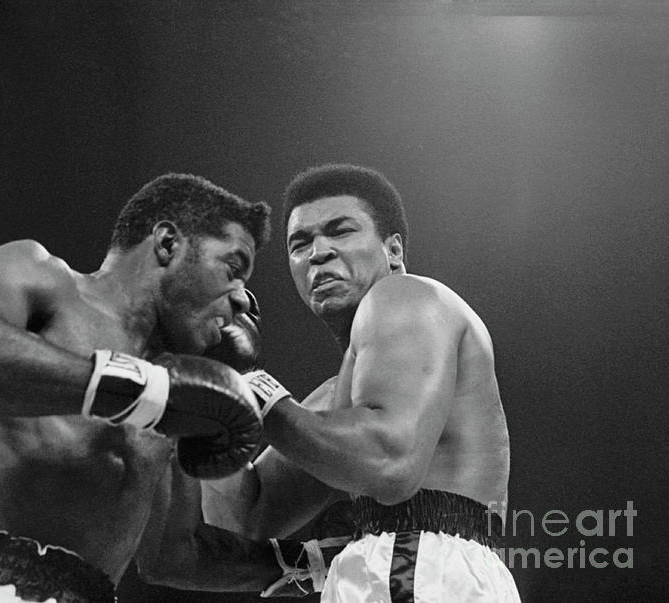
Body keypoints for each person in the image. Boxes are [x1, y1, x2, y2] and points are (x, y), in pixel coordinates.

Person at [0, 173, 273, 603]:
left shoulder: (176, 392)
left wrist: (316, 563)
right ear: (167, 243)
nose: (241, 299)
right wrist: (143, 389)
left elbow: (173, 557)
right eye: (233, 269)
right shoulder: (43, 279)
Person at [140, 164, 521, 601]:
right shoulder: (334, 405)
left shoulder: (408, 296)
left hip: (422, 568)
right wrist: (216, 378)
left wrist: (249, 390)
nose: (318, 252)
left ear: (393, 250)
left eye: (340, 231)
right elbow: (241, 520)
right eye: (300, 243)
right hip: (410, 571)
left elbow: (388, 462)